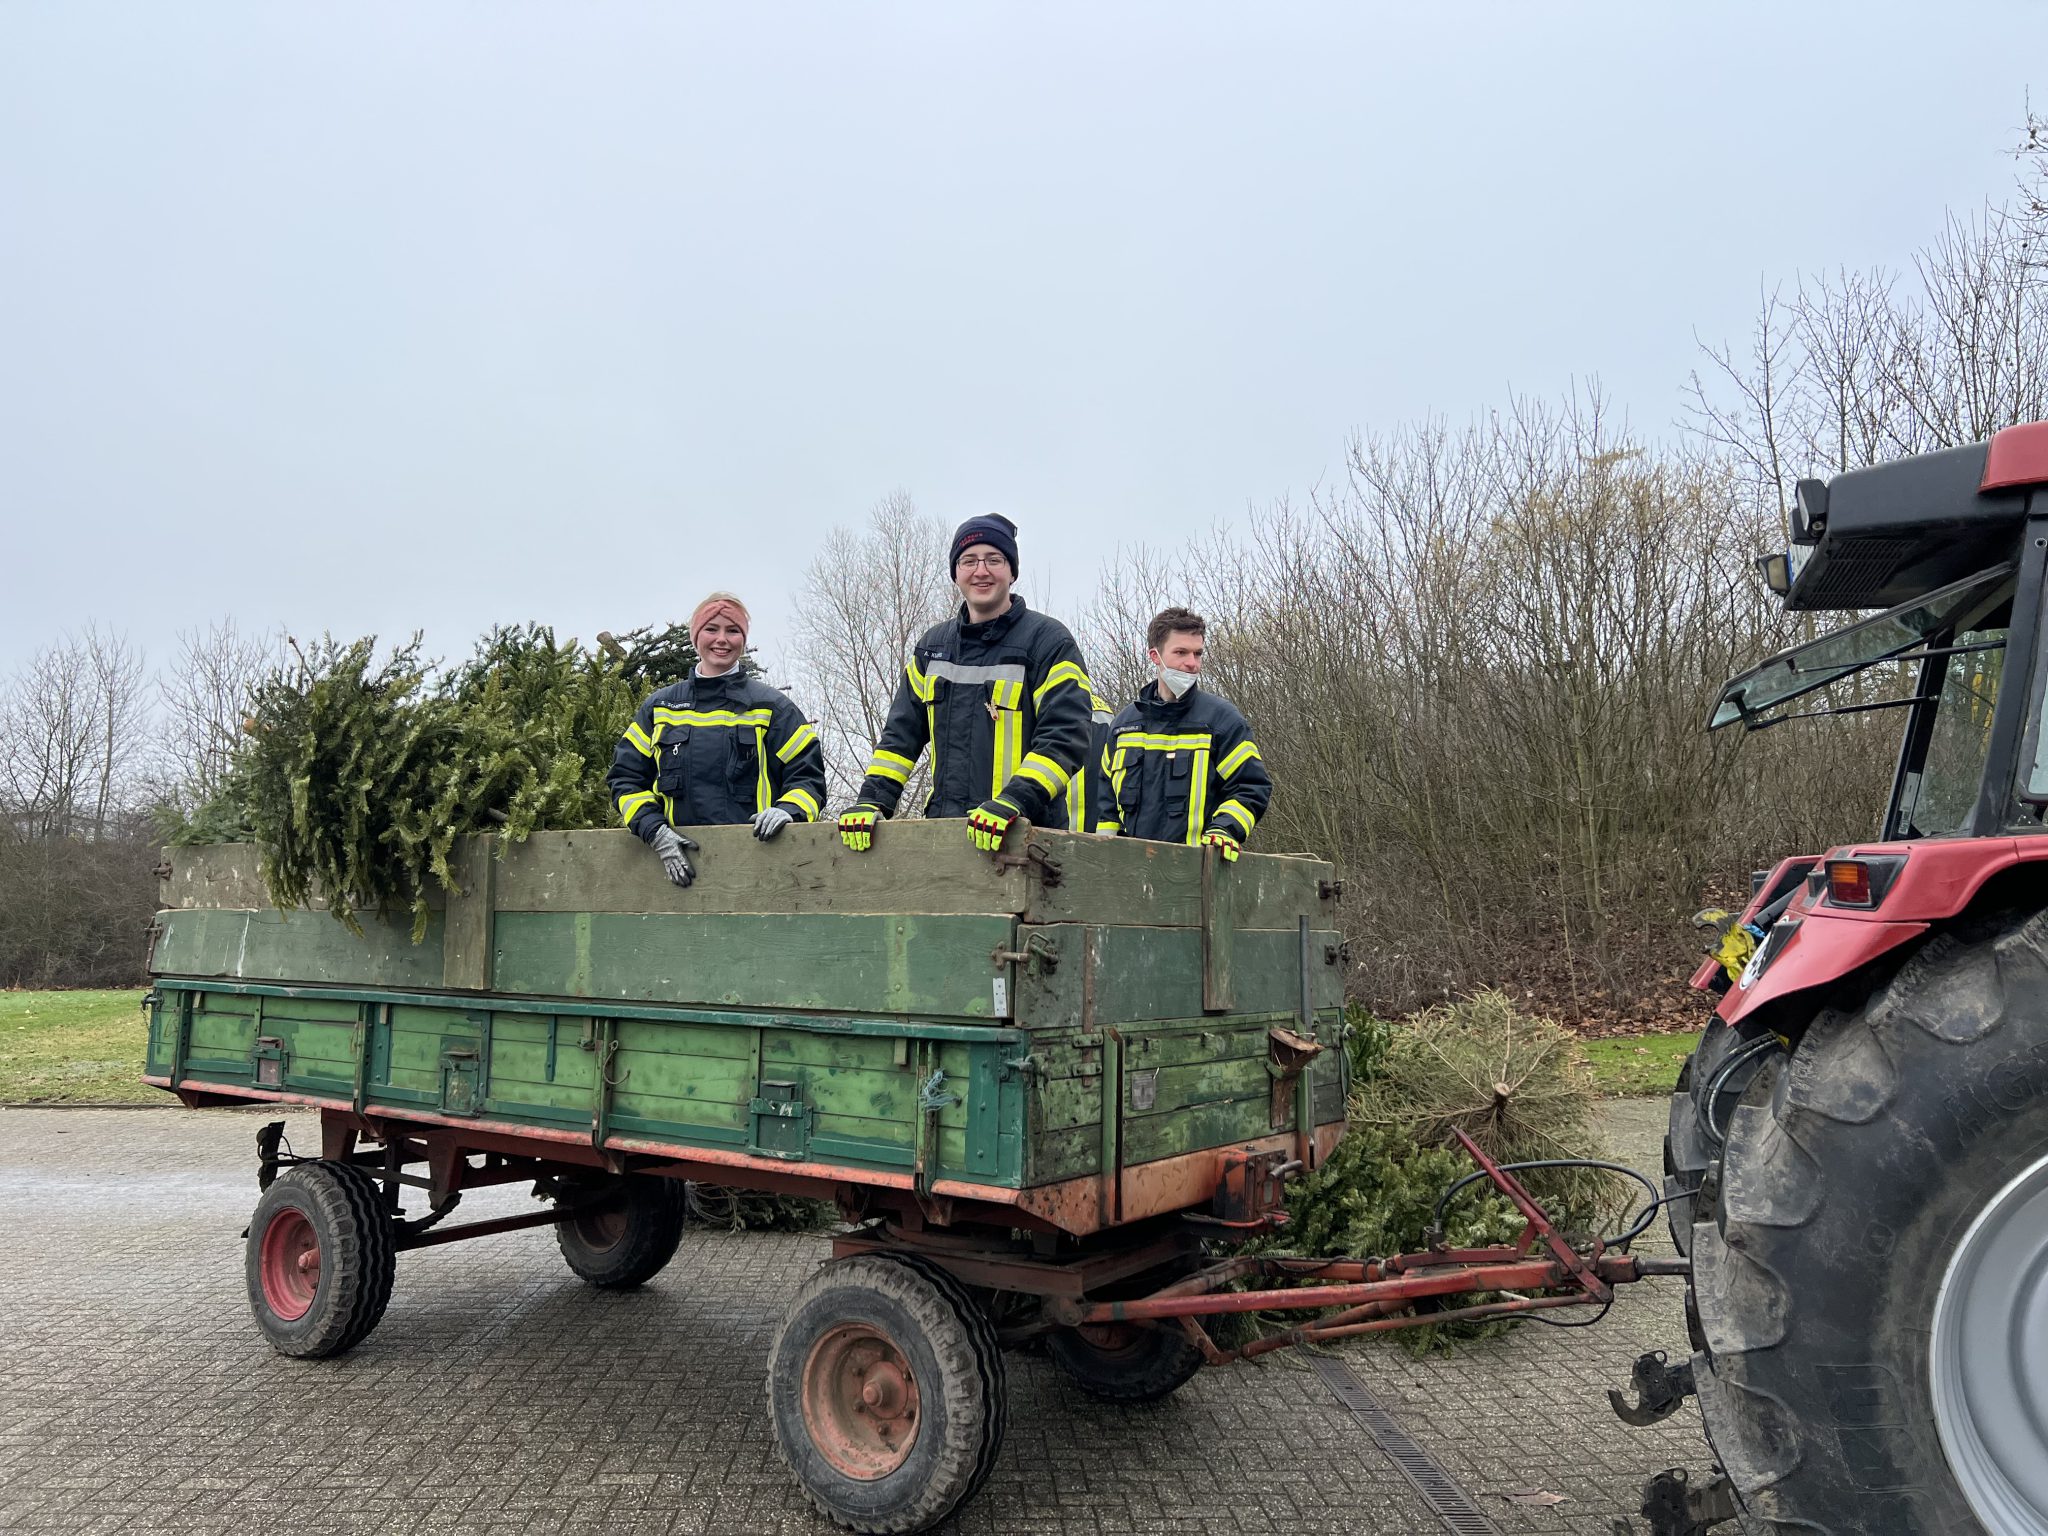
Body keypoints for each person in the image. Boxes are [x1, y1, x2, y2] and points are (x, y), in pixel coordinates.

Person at [839, 514, 1095, 854]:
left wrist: (1014, 802)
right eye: (969, 560)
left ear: (1012, 571)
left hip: (1028, 840)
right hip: (945, 839)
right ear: (956, 573)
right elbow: (899, 739)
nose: (981, 571)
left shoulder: (1048, 642)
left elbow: (1066, 737)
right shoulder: (932, 649)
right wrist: (872, 801)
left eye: (994, 559)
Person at [607, 593, 827, 887]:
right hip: (675, 875)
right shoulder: (660, 708)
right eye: (712, 629)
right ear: (696, 636)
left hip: (759, 869)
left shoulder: (772, 708)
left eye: (732, 630)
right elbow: (626, 778)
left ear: (743, 639)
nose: (722, 639)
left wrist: (788, 811)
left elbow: (808, 779)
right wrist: (654, 830)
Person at [1094, 606, 1271, 861]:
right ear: (1155, 656)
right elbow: (1107, 805)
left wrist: (1225, 829)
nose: (1191, 663)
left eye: (1198, 654)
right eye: (1181, 652)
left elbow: (1251, 787)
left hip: (1198, 877)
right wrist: (1106, 855)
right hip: (1130, 876)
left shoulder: (1222, 722)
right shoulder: (1124, 725)